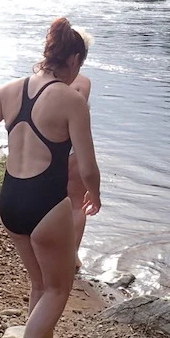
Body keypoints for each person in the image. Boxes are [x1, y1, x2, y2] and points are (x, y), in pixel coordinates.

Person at [0, 17, 100, 338]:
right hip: (46, 202)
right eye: (80, 65)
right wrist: (96, 194)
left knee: (40, 286)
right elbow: (87, 166)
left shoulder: (9, 89)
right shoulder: (72, 100)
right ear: (73, 59)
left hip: (10, 200)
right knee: (58, 289)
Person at [65, 29, 93, 269]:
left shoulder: (36, 80)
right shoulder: (83, 83)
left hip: (43, 147)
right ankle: (72, 254)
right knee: (77, 203)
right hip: (72, 146)